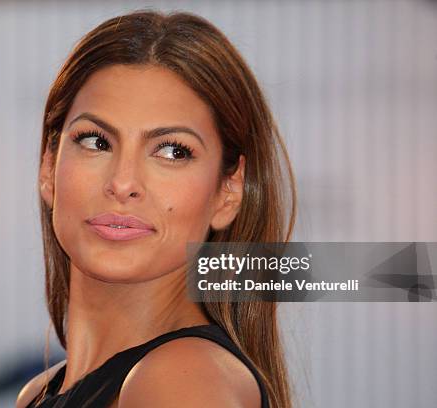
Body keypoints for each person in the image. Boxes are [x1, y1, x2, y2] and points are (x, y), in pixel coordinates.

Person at [17, 9, 296, 408]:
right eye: (96, 141)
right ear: (49, 166)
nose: (123, 183)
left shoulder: (183, 382)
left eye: (172, 151)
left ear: (228, 192)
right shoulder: (38, 394)